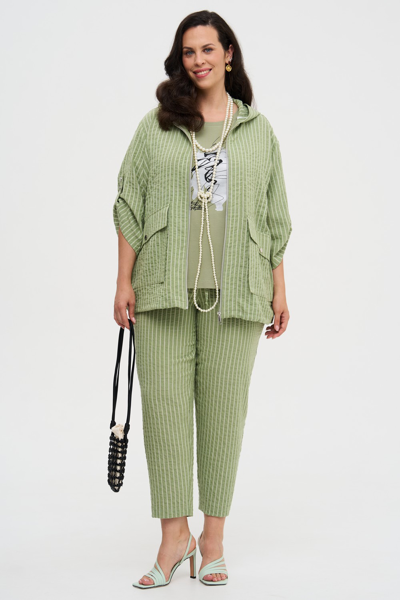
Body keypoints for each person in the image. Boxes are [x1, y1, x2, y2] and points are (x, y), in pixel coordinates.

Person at [112, 10, 292, 589]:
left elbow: (273, 217)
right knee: (164, 413)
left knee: (223, 415)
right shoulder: (157, 126)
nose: (198, 60)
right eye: (188, 52)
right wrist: (123, 282)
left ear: (228, 54)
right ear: (180, 59)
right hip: (163, 290)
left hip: (237, 291)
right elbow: (129, 203)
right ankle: (174, 539)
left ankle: (212, 541)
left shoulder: (258, 130)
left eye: (208, 49)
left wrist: (279, 289)